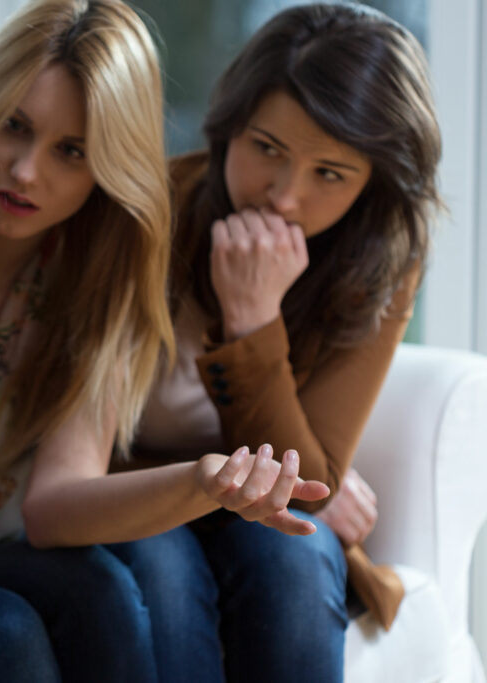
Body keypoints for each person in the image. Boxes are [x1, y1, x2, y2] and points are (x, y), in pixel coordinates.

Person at [0, 1, 331, 680]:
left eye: (71, 151)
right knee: (7, 627)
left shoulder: (95, 286)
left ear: (105, 169)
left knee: (99, 588)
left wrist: (206, 480)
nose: (26, 170)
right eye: (16, 126)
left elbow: (55, 506)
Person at [127, 3, 441, 681]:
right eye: (266, 149)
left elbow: (305, 489)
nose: (284, 196)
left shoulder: (384, 259)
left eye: (330, 173)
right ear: (228, 127)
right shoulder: (153, 212)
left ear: (371, 184)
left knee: (293, 555)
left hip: (270, 521)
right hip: (144, 498)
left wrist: (252, 319)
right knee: (161, 564)